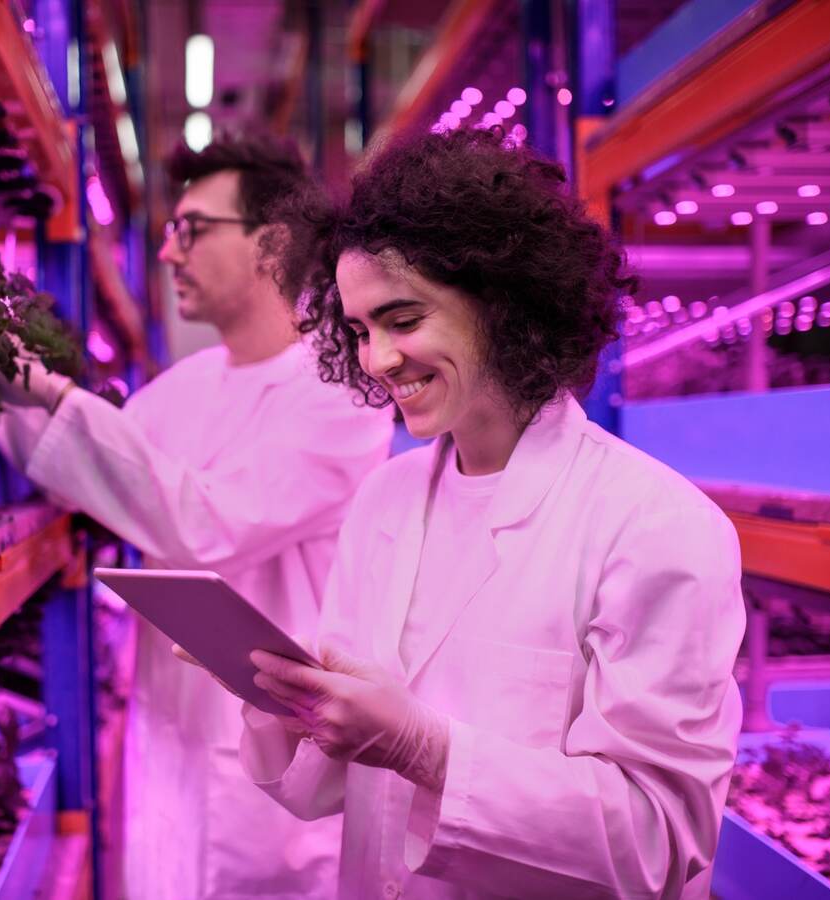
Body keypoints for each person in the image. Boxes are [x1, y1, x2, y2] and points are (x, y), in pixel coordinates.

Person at [215, 127, 745, 899]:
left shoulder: (656, 525)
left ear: (504, 304)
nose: (376, 360)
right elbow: (327, 794)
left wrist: (421, 747)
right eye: (360, 331)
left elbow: (659, 837)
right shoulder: (384, 501)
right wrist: (296, 705)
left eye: (404, 320)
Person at [0, 134, 393, 899]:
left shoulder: (339, 394)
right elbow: (89, 474)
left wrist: (49, 393)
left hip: (275, 768)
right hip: (170, 740)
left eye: (192, 229)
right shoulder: (185, 386)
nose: (170, 252)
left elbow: (203, 524)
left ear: (270, 243)